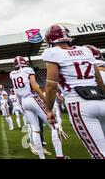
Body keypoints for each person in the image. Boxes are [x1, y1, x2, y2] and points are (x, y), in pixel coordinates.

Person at [43, 24, 105, 159]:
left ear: (50, 40)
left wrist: (49, 110)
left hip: (79, 103)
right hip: (101, 100)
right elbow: (100, 81)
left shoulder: (53, 53)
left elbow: (51, 85)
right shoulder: (86, 50)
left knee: (99, 154)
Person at [9, 55, 66, 159]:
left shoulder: (12, 74)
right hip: (33, 98)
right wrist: (46, 102)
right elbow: (35, 87)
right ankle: (60, 155)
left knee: (35, 129)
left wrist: (21, 104)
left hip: (24, 102)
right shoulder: (28, 70)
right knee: (54, 125)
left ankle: (41, 157)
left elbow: (16, 92)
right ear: (24, 63)